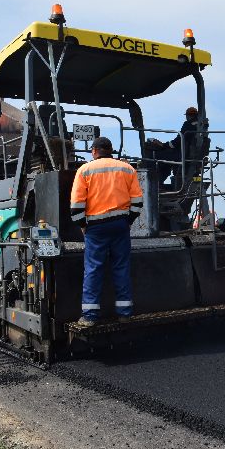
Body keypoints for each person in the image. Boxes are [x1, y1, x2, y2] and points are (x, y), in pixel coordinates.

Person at [70, 137, 143, 326]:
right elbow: (137, 203)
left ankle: (90, 316)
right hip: (120, 225)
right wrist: (128, 221)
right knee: (121, 267)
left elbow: (76, 206)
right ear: (111, 150)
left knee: (94, 269)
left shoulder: (84, 170)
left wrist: (83, 226)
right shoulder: (127, 169)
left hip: (96, 227)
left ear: (94, 151)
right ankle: (125, 313)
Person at [145, 106, 202, 184]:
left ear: (187, 116)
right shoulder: (200, 127)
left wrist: (164, 145)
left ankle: (152, 183)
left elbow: (178, 141)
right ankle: (159, 183)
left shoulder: (188, 124)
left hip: (181, 154)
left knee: (154, 156)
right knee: (166, 161)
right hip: (189, 154)